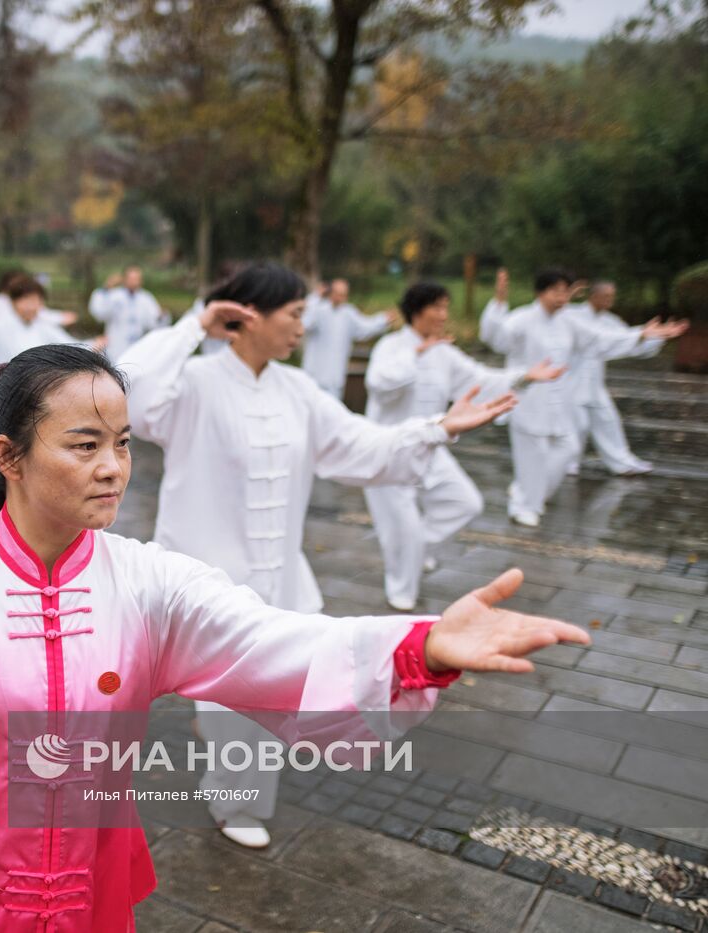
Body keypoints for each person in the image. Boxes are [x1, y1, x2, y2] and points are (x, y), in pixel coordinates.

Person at [0, 338, 586, 932]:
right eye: (83, 444)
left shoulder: (151, 583)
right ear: (7, 457)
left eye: (121, 440)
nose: (113, 465)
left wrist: (418, 646)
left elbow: (275, 647)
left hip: (83, 888)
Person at [118, 262, 515, 849]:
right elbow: (134, 391)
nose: (303, 327)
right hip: (207, 577)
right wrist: (197, 324)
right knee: (241, 704)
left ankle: (229, 773)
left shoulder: (297, 389)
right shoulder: (195, 383)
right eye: (295, 314)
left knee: (269, 696)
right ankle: (235, 802)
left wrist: (437, 430)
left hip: (280, 576)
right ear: (247, 316)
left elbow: (360, 445)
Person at [364, 283, 565, 610]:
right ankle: (401, 592)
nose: (444, 316)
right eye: (437, 308)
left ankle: (414, 550)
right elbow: (379, 383)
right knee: (401, 524)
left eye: (446, 308)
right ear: (417, 310)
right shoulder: (391, 346)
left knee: (465, 502)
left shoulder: (444, 353)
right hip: (391, 448)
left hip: (431, 444)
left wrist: (524, 376)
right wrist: (415, 354)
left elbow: (480, 378)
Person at [479, 268, 686, 527]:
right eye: (555, 291)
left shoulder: (570, 322)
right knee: (532, 457)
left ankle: (529, 494)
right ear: (541, 292)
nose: (561, 297)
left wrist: (640, 335)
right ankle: (524, 506)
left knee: (568, 449)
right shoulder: (522, 319)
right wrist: (499, 300)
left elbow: (600, 340)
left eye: (565, 291)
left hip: (560, 402)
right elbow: (495, 338)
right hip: (527, 401)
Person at [562, 281, 673, 476]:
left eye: (612, 297)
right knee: (576, 425)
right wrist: (568, 295)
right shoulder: (573, 315)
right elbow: (555, 316)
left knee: (608, 420)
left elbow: (624, 339)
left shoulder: (610, 321)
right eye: (606, 296)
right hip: (571, 381)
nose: (609, 301)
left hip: (595, 384)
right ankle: (566, 463)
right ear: (594, 296)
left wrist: (653, 336)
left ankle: (621, 462)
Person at [0, 263, 105, 376]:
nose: (31, 306)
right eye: (26, 300)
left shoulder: (43, 327)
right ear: (12, 301)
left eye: (36, 300)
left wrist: (94, 344)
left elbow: (67, 347)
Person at [300, 277, 398, 399]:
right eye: (338, 294)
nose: (341, 298)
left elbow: (365, 327)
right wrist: (315, 297)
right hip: (314, 374)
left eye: (344, 295)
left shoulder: (348, 313)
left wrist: (383, 320)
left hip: (335, 376)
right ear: (330, 292)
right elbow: (304, 322)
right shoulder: (318, 310)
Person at [87, 265, 168, 360]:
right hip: (116, 346)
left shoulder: (146, 298)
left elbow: (153, 323)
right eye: (131, 278)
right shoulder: (114, 295)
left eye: (137, 279)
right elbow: (99, 312)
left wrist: (161, 317)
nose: (134, 282)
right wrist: (106, 288)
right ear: (125, 279)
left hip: (137, 346)